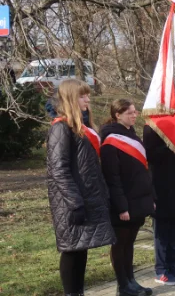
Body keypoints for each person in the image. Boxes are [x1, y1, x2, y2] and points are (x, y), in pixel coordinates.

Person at [46, 79, 115, 296]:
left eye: (87, 95)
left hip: (85, 198)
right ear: (70, 98)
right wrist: (75, 203)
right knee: (71, 250)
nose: (88, 99)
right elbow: (59, 170)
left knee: (80, 247)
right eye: (83, 96)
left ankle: (78, 292)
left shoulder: (78, 127)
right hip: (71, 202)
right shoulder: (60, 128)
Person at [100, 99, 155, 295]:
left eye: (134, 112)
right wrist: (121, 206)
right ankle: (122, 285)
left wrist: (150, 198)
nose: (134, 115)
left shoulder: (131, 134)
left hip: (138, 199)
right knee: (120, 244)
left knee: (130, 243)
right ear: (118, 115)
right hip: (123, 202)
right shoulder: (110, 140)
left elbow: (143, 169)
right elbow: (112, 177)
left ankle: (131, 280)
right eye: (129, 112)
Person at [144, 123, 175, 285]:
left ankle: (172, 265)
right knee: (162, 231)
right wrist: (172, 146)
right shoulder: (151, 128)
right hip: (160, 187)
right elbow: (151, 155)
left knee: (174, 228)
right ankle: (161, 269)